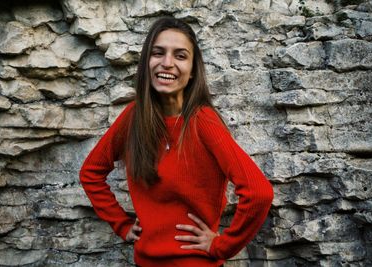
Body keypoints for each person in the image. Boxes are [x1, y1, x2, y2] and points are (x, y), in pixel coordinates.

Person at [80, 17, 274, 267]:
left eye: (180, 56)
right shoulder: (134, 116)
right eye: (158, 53)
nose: (167, 63)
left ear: (193, 70)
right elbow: (91, 173)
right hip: (144, 262)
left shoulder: (202, 120)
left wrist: (222, 246)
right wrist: (122, 225)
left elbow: (259, 193)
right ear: (146, 62)